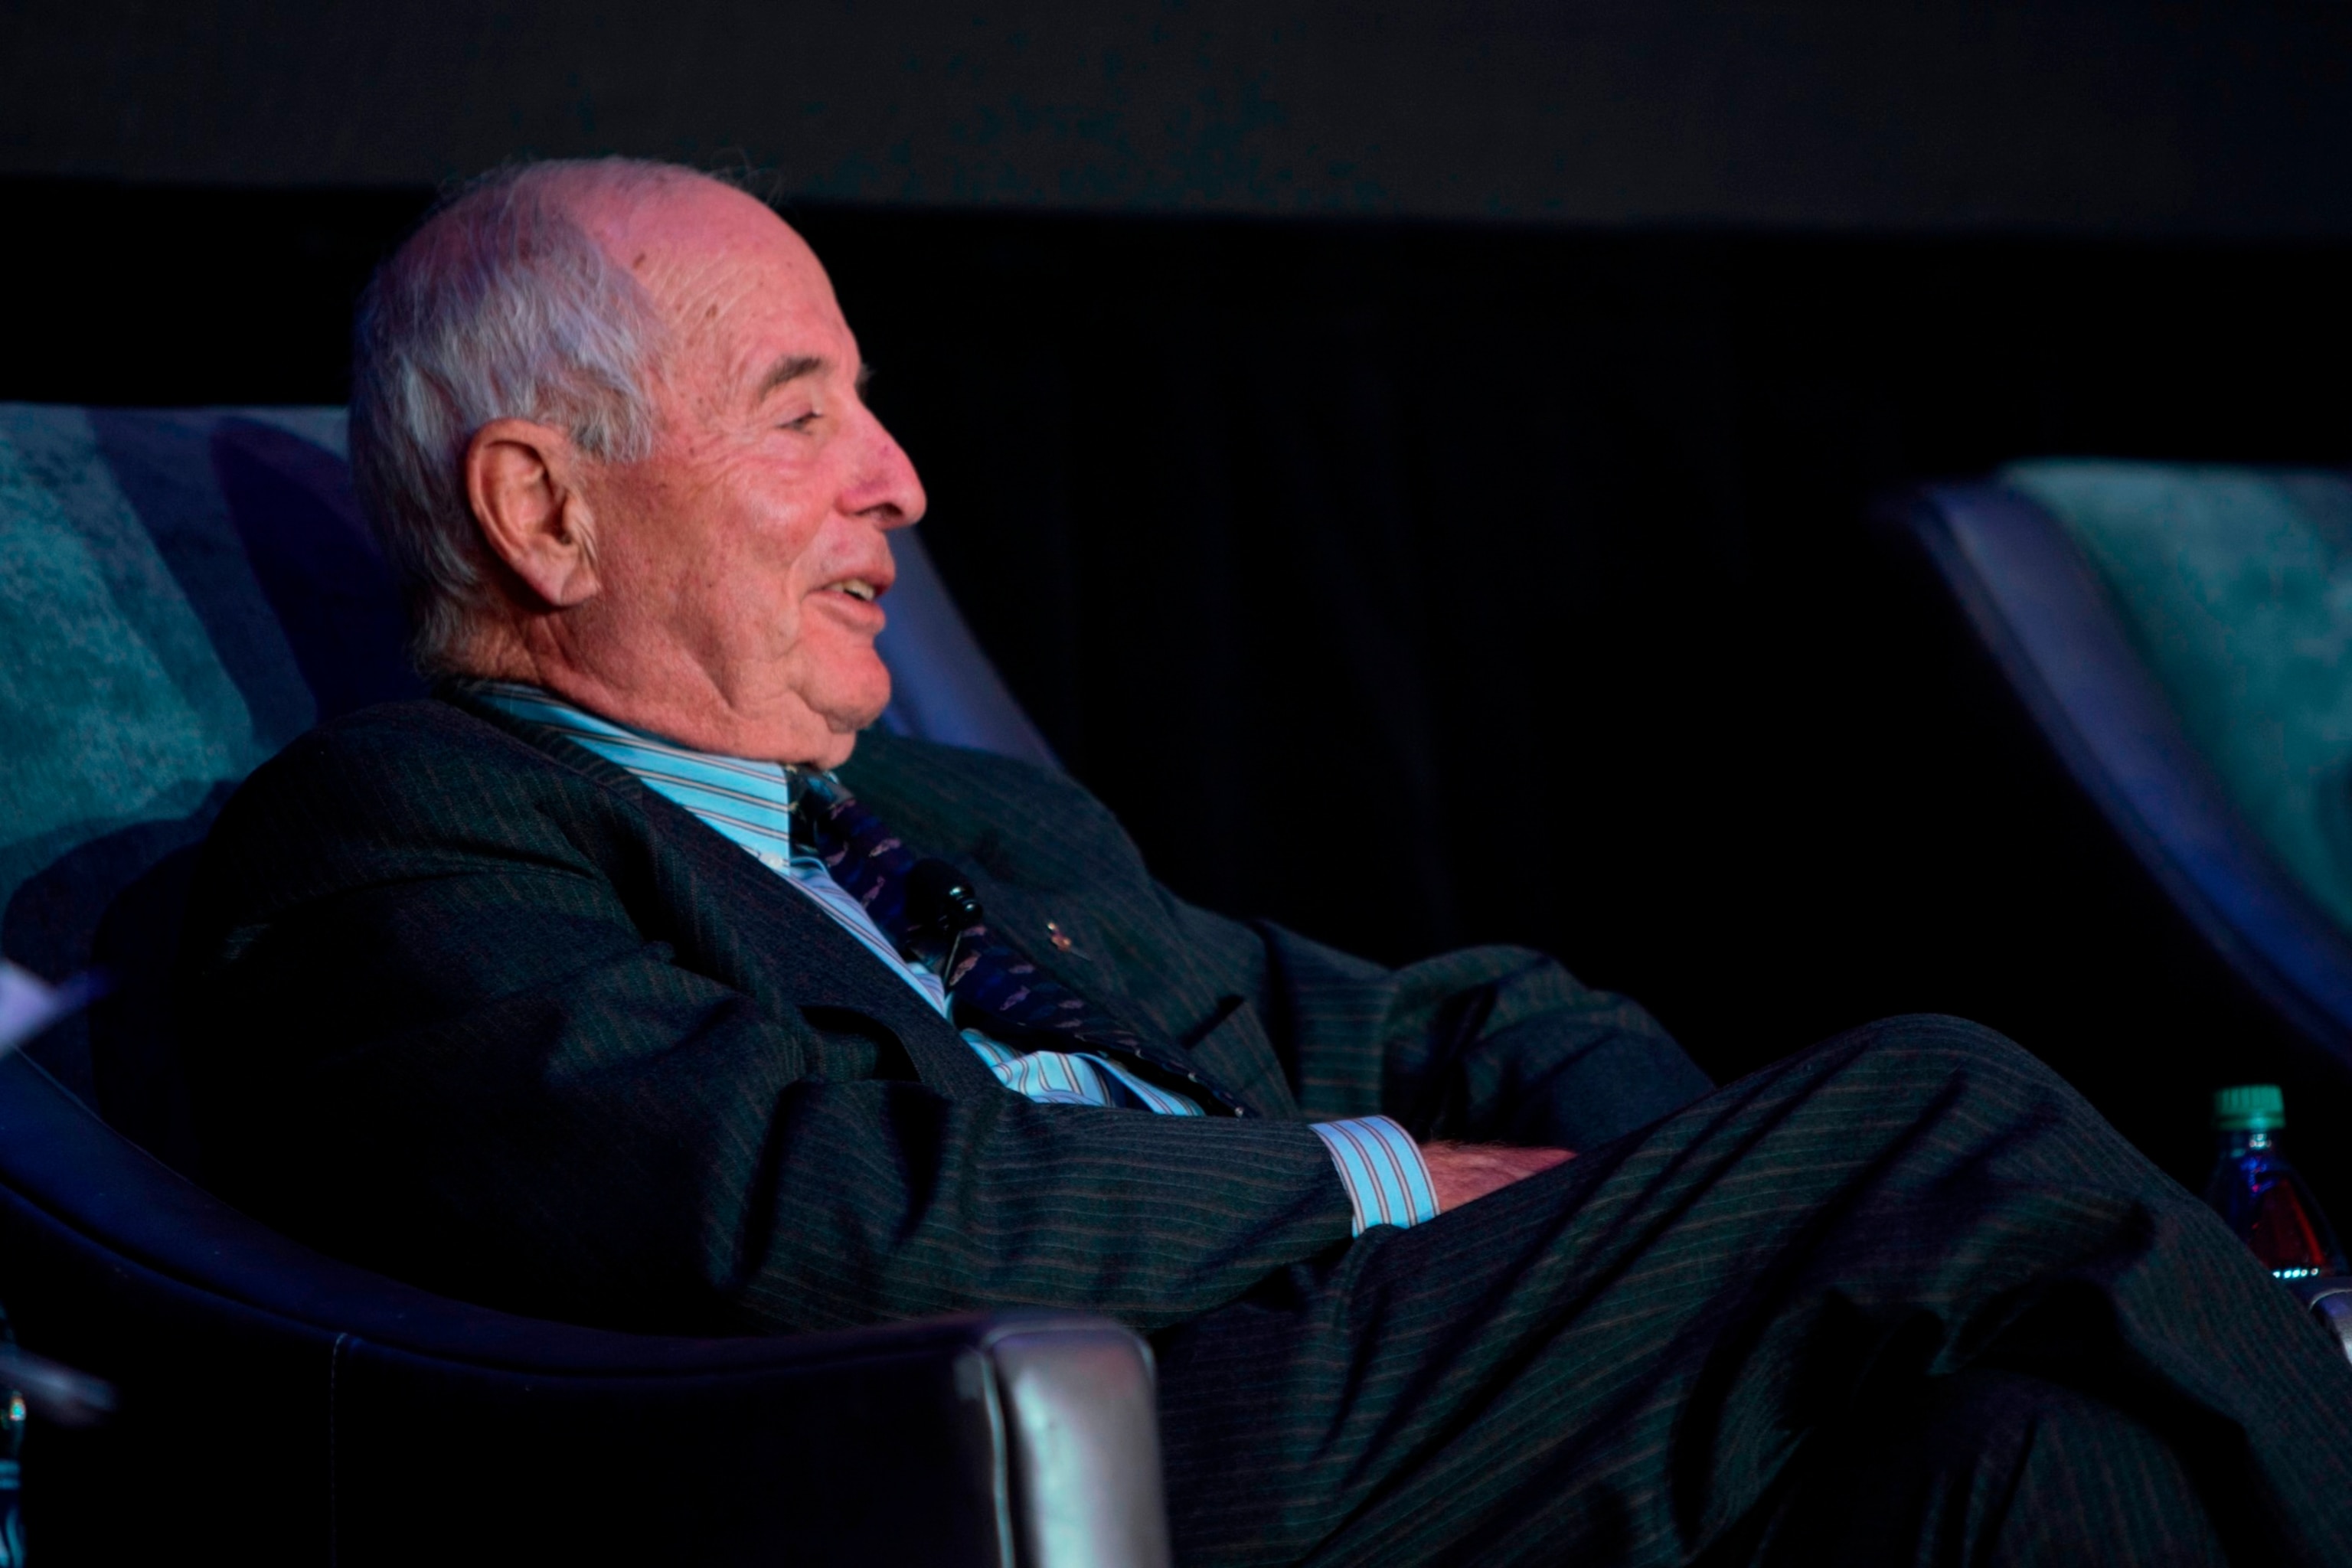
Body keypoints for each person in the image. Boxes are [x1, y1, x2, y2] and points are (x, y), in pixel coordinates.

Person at [178, 158, 2352, 1566]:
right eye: (799, 410)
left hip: (1397, 1394)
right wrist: (1406, 1189)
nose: (903, 481)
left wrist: (1700, 1242)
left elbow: (1482, 1019)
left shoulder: (969, 827)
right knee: (1937, 1104)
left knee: (2055, 1469)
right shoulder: (407, 839)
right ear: (543, 512)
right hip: (1064, 1462)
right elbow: (814, 1210)